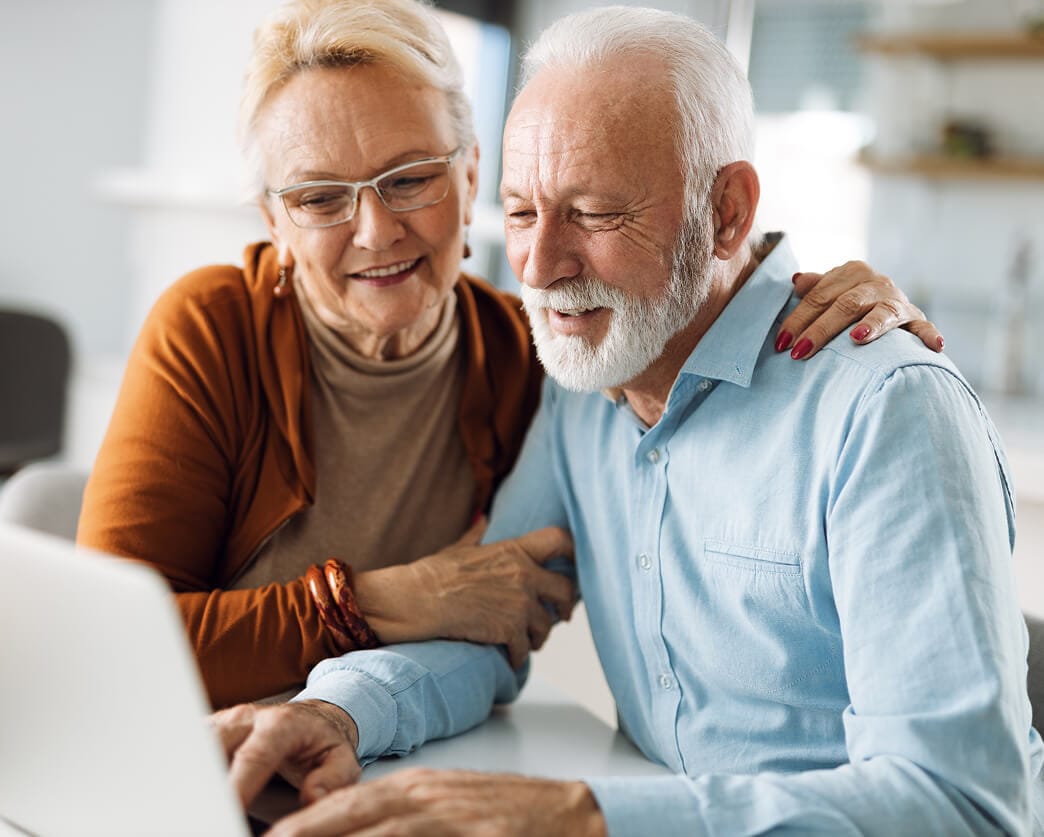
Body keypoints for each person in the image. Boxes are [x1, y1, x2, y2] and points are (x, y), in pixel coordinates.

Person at [212, 6, 1042, 836]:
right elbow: (488, 628)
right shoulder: (586, 386)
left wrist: (588, 815)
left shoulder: (886, 410)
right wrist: (341, 713)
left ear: (725, 213)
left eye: (595, 213)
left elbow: (961, 805)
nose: (537, 267)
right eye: (525, 212)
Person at [77, 0, 936, 710]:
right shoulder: (211, 328)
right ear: (274, 221)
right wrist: (390, 599)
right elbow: (107, 650)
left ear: (470, 174)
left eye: (409, 177)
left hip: (384, 760)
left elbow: (677, 308)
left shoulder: (534, 354)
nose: (376, 231)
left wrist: (838, 299)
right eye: (320, 197)